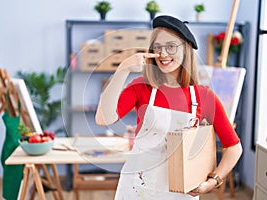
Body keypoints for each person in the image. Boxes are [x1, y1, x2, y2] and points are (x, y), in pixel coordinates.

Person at [95, 15, 242, 200]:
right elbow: (103, 119)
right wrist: (122, 69)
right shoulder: (141, 87)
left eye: (171, 47)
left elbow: (234, 147)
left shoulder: (203, 96)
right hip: (137, 189)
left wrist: (213, 181)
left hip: (181, 193)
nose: (163, 54)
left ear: (186, 49)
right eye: (158, 47)